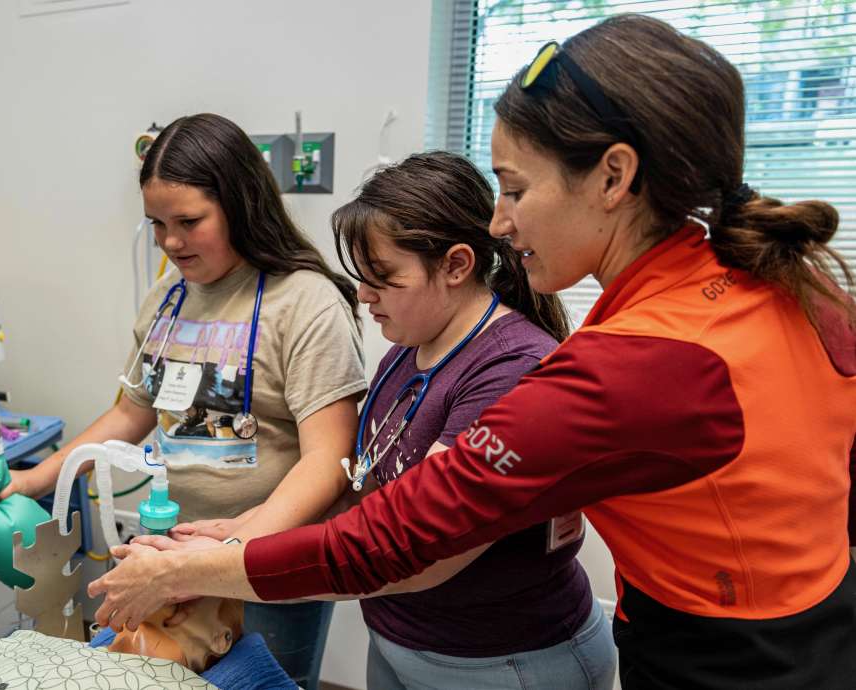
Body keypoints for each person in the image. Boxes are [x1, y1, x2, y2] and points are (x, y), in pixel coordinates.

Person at [88, 14, 856, 690]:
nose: (500, 223)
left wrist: (188, 571)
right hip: (809, 628)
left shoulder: (630, 364)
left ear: (614, 176)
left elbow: (400, 541)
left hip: (722, 660)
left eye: (515, 189)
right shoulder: (786, 289)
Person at [139, 151, 616, 689]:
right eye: (361, 278)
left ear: (456, 266)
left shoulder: (511, 370)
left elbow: (419, 553)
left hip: (501, 660)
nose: (364, 295)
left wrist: (220, 569)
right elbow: (365, 491)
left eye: (382, 278)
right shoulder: (407, 352)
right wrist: (241, 532)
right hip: (399, 639)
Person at [0, 113, 368, 686]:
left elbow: (329, 459)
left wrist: (232, 552)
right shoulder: (167, 300)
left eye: (189, 222)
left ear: (241, 205)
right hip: (174, 553)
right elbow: (131, 412)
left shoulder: (306, 303)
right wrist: (35, 479)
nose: (170, 242)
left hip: (269, 563)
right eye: (157, 223)